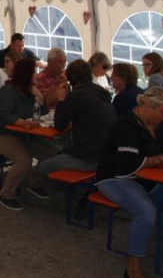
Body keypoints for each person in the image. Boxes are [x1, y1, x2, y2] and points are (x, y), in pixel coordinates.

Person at [95, 87, 163, 278]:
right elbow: (129, 164)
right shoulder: (125, 126)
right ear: (147, 107)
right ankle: (133, 268)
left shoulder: (160, 124)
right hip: (116, 178)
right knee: (146, 212)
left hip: (147, 178)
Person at [32, 59, 116, 198]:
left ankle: (74, 190)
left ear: (71, 78)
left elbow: (60, 125)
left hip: (89, 158)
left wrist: (61, 99)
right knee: (60, 152)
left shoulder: (78, 94)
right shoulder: (100, 94)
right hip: (108, 155)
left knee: (43, 166)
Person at [0, 59, 55, 209]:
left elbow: (42, 113)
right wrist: (23, 123)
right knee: (24, 160)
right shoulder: (7, 91)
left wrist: (40, 96)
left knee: (51, 155)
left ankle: (33, 182)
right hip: (0, 133)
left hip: (24, 134)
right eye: (33, 72)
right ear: (26, 74)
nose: (37, 75)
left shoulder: (30, 92)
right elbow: (4, 115)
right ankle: (6, 194)